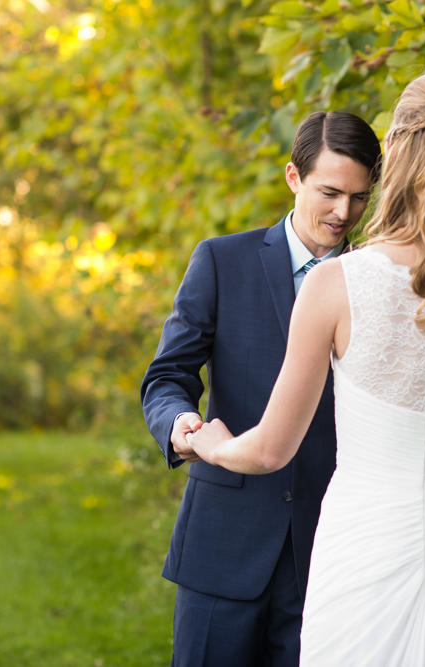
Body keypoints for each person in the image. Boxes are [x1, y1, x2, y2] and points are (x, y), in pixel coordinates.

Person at [187, 70, 425, 666]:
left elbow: (270, 450)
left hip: (361, 552)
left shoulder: (335, 284)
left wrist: (215, 445)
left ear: (396, 158)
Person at [140, 112, 382, 666]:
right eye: (330, 192)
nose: (344, 213)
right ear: (293, 177)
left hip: (332, 551)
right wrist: (184, 426)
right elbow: (168, 376)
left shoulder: (379, 283)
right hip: (223, 543)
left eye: (360, 197)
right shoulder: (222, 261)